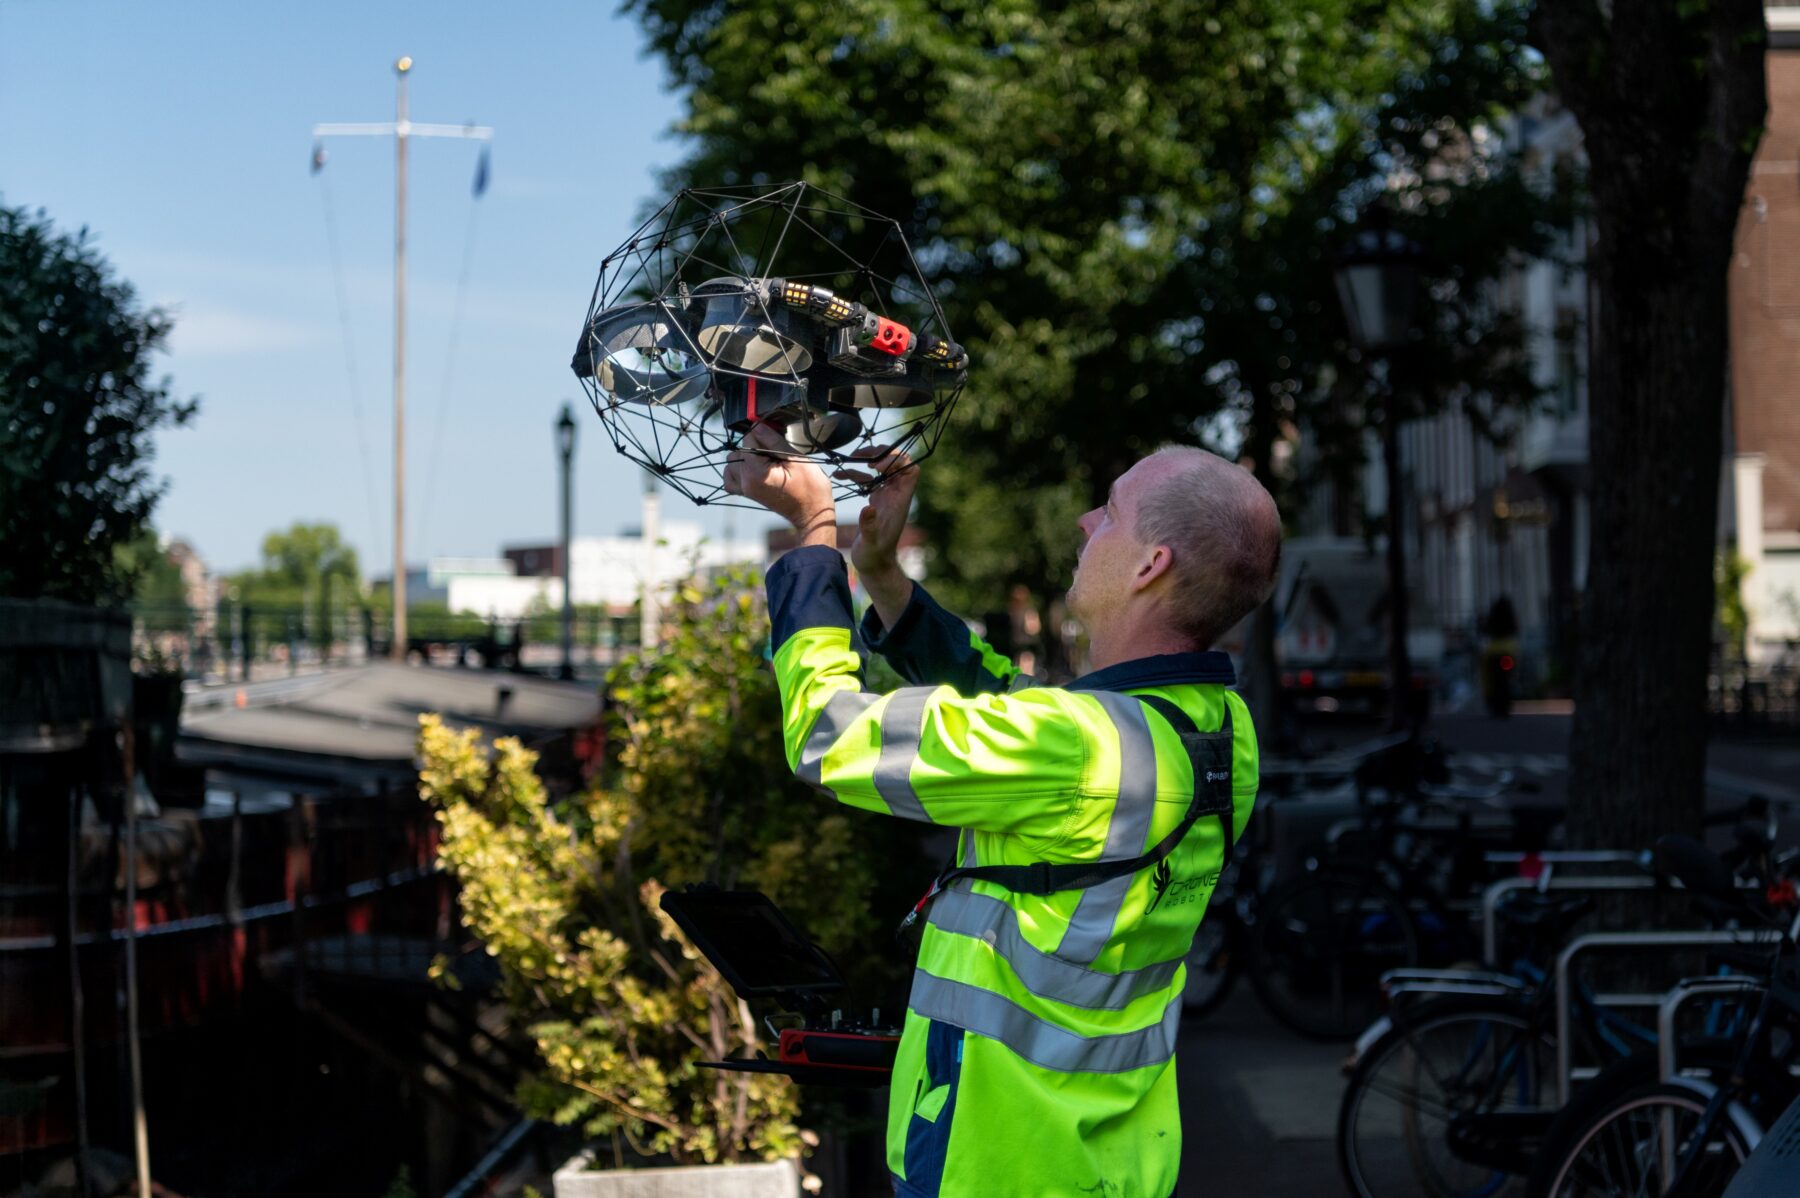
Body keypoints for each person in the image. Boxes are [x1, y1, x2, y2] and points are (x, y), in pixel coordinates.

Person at [723, 425, 1282, 1198]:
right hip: (1115, 1161)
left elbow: (830, 732)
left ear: (1153, 566)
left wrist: (814, 534)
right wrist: (880, 572)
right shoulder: (1221, 730)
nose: (1087, 521)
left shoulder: (1078, 749)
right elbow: (1011, 705)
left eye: (1112, 512)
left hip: (996, 1160)